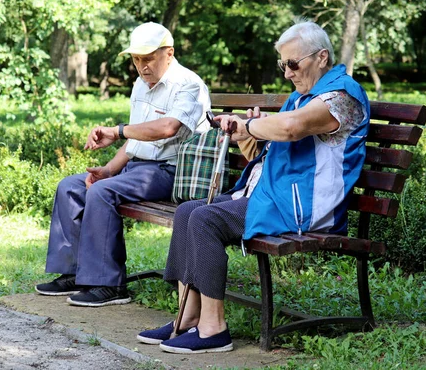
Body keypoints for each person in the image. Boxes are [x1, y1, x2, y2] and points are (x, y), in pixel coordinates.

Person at [136, 19, 370, 353]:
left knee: (206, 219)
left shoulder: (341, 96)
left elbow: (291, 129)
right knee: (189, 210)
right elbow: (268, 154)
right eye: (282, 65)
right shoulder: (302, 96)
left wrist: (252, 124)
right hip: (274, 197)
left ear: (321, 57)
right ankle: (186, 319)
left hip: (305, 208)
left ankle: (213, 329)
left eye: (292, 64)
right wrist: (248, 136)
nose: (287, 73)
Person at [35, 22, 211, 307]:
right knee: (70, 187)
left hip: (171, 172)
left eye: (148, 58)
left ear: (169, 53)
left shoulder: (188, 84)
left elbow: (167, 128)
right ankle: (74, 273)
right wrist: (107, 170)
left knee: (102, 193)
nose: (142, 67)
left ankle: (109, 285)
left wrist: (117, 131)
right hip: (139, 169)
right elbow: (135, 139)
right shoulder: (141, 85)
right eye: (136, 60)